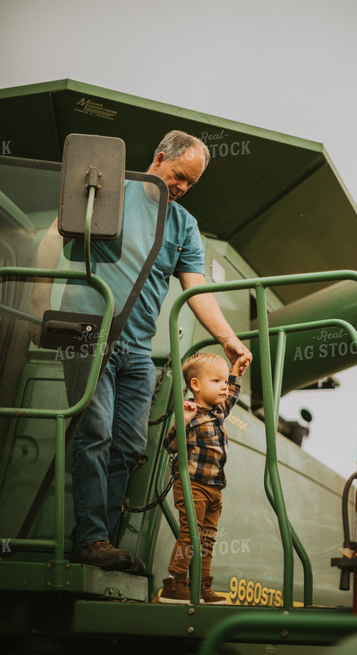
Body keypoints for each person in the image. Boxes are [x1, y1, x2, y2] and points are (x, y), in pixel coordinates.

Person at [28, 131, 252, 572]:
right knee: (96, 433)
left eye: (191, 183)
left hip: (138, 347)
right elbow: (52, 236)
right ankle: (91, 539)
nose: (182, 187)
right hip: (89, 333)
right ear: (159, 158)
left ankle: (102, 542)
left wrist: (228, 337)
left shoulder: (184, 225)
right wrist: (39, 302)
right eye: (179, 175)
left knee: (129, 445)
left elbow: (197, 289)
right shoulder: (110, 189)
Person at [159, 351, 249, 604]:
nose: (224, 387)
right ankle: (173, 583)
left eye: (224, 382)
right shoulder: (189, 412)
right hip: (193, 486)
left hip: (215, 489)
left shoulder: (218, 411)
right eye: (216, 381)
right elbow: (171, 445)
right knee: (191, 535)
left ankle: (200, 584)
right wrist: (182, 421)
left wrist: (235, 371)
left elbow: (231, 395)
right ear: (195, 385)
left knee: (208, 538)